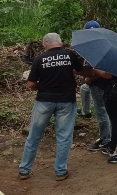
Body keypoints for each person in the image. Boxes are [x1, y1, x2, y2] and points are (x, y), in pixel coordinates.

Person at [18, 33, 83, 181]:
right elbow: (80, 71)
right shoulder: (69, 55)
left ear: (45, 45)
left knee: (34, 136)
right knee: (64, 136)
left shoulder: (39, 59)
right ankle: (60, 172)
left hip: (44, 101)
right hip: (67, 101)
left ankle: (24, 170)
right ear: (60, 43)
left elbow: (30, 84)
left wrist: (44, 86)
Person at [78, 20, 112, 152]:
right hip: (100, 83)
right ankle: (85, 112)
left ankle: (105, 139)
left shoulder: (98, 47)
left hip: (99, 83)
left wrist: (89, 77)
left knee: (102, 111)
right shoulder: (101, 44)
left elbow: (102, 69)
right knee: (84, 89)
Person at [92, 68, 117, 163]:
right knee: (115, 120)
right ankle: (112, 147)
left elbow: (108, 75)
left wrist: (94, 70)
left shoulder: (114, 61)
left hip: (116, 94)